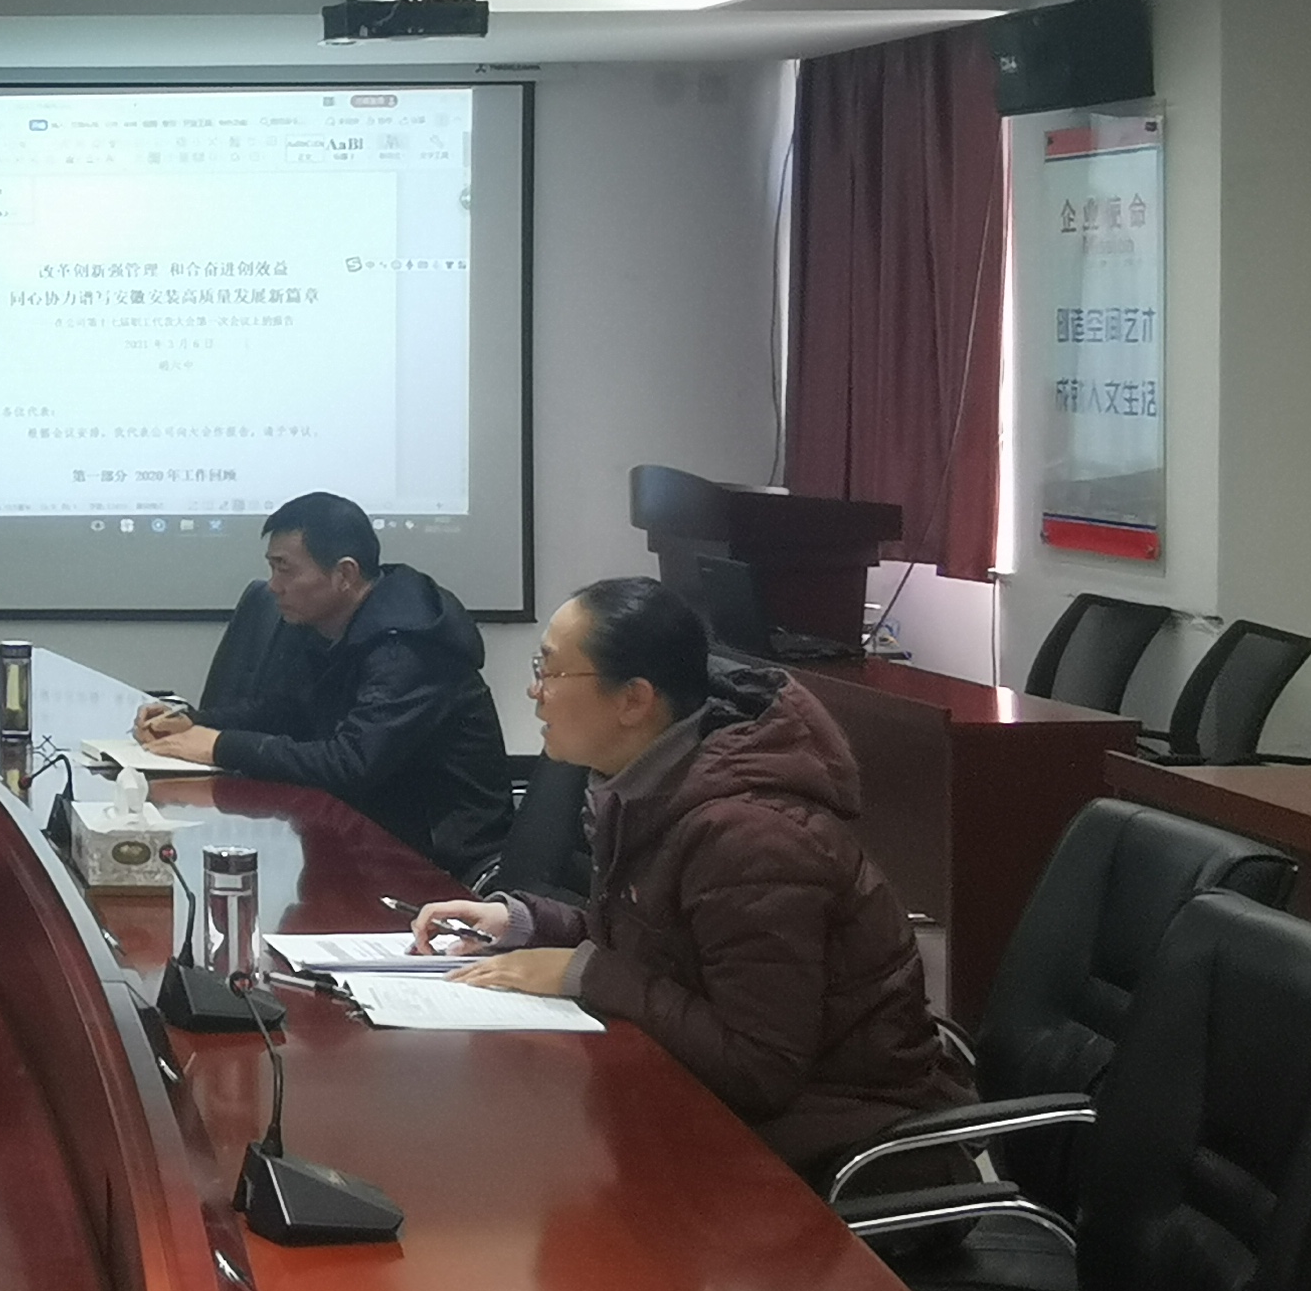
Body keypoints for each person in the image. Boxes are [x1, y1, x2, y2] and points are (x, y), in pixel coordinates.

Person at [417, 576, 971, 1182]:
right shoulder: (653, 786)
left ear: (634, 700)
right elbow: (659, 940)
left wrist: (587, 972)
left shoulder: (749, 838)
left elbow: (760, 1069)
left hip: (843, 1142)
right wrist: (523, 923)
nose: (534, 691)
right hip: (747, 1111)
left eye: (548, 671)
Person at [134, 491, 515, 886]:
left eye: (285, 570)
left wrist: (219, 746)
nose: (273, 586)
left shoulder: (408, 649)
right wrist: (195, 722)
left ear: (344, 574)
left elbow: (351, 764)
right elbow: (285, 711)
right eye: (272, 568)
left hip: (433, 863)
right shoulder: (326, 623)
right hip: (355, 837)